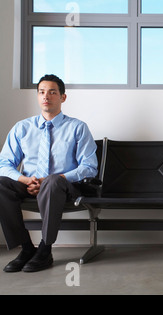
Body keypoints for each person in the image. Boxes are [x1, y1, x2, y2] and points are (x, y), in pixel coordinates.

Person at [0, 74, 98, 273]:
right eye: (42, 92)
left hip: (62, 186)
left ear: (63, 97)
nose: (46, 96)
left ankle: (45, 249)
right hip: (30, 182)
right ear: (37, 96)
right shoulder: (22, 128)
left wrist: (53, 179)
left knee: (52, 181)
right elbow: (4, 163)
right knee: (1, 183)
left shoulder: (77, 127)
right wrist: (26, 179)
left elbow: (89, 167)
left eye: (53, 92)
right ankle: (26, 248)